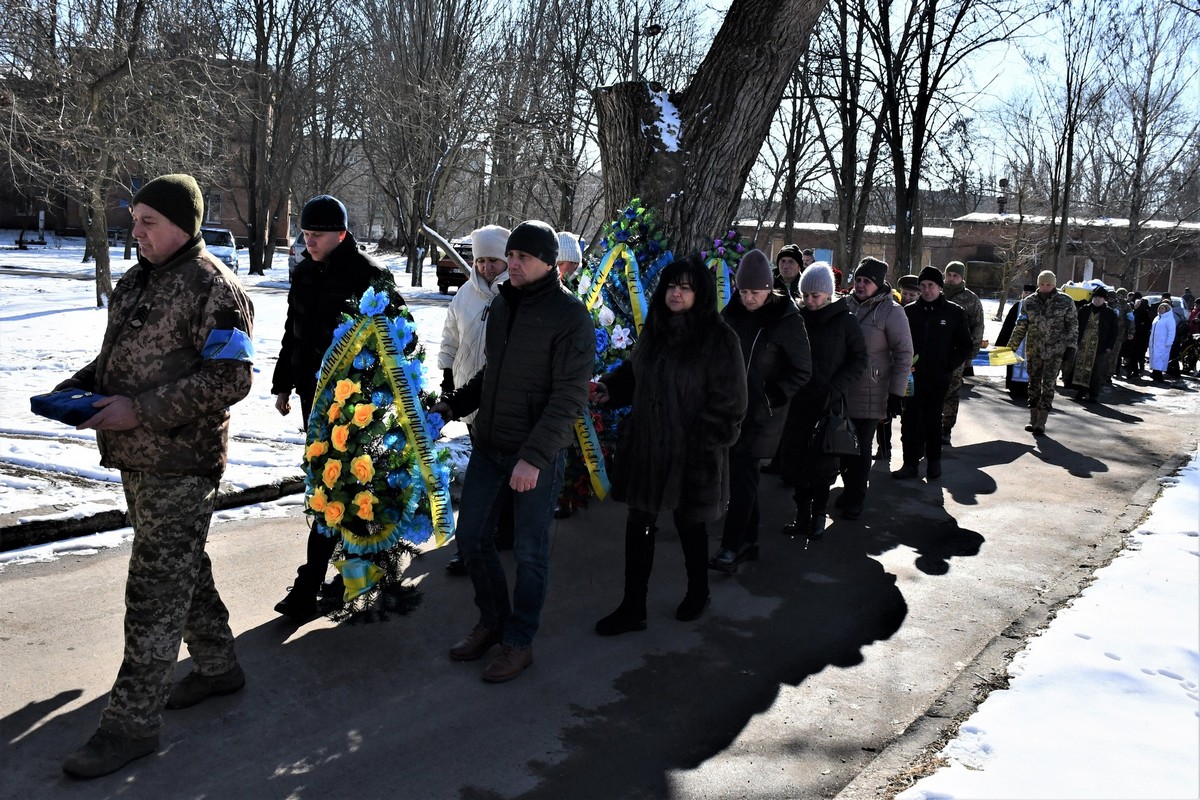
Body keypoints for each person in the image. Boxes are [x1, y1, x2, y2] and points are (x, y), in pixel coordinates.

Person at [56, 174, 255, 778]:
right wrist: (81, 386)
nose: (135, 231)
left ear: (184, 225)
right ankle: (220, 665)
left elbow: (232, 378)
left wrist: (137, 409)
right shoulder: (140, 278)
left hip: (181, 461)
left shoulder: (214, 288)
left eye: (149, 222)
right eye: (134, 219)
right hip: (135, 456)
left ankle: (130, 727)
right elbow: (120, 356)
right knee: (181, 565)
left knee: (152, 592)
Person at [432, 221, 593, 682]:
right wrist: (452, 406)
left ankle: (519, 641)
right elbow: (491, 376)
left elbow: (569, 397)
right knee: (472, 537)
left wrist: (534, 458)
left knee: (529, 551)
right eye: (512, 255)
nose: (513, 263)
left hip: (535, 456)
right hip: (490, 443)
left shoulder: (570, 317)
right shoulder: (503, 305)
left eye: (523, 257)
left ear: (548, 262)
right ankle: (492, 619)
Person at [592, 257, 747, 631]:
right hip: (647, 446)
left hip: (692, 453)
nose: (676, 293)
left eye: (686, 287)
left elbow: (731, 405)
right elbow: (635, 372)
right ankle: (633, 607)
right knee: (638, 524)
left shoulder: (719, 339)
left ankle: (699, 590)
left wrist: (703, 444)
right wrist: (609, 389)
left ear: (700, 294)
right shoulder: (655, 330)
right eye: (671, 286)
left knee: (690, 525)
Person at [271, 195, 404, 620]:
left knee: (341, 490)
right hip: (315, 401)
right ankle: (349, 577)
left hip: (356, 408)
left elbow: (401, 342)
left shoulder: (370, 276)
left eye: (318, 235)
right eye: (305, 234)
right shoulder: (305, 273)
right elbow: (293, 333)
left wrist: (375, 397)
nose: (309, 242)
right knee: (330, 489)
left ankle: (315, 584)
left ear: (342, 235)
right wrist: (283, 383)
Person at [708, 249, 811, 573]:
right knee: (740, 478)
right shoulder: (732, 312)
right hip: (730, 408)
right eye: (743, 291)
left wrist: (773, 395)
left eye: (755, 291)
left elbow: (802, 369)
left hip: (763, 412)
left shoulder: (786, 318)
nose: (748, 297)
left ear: (770, 288)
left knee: (743, 478)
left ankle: (731, 547)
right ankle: (748, 541)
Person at [438, 224, 511, 575]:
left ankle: (489, 534)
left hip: (501, 397)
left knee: (493, 471)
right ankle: (481, 535)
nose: (486, 267)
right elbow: (450, 334)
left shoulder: (513, 293)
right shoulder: (465, 293)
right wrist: (447, 373)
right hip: (467, 393)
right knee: (484, 468)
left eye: (493, 260)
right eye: (480, 260)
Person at [779, 262, 867, 538]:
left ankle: (819, 515)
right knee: (795, 462)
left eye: (815, 296)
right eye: (805, 295)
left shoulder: (845, 320)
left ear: (828, 294)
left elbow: (859, 359)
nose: (809, 301)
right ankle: (801, 514)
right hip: (797, 402)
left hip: (829, 403)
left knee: (822, 464)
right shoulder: (797, 318)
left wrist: (837, 387)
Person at [843, 258, 913, 518]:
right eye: (858, 279)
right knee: (841, 446)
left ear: (879, 284)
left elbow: (904, 353)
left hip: (872, 390)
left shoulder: (892, 311)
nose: (860, 285)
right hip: (843, 388)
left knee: (861, 449)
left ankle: (855, 498)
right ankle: (848, 489)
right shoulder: (846, 305)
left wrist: (896, 393)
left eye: (867, 281)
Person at [892, 267, 972, 480]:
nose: (926, 290)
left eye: (931, 286)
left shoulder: (954, 312)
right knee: (909, 419)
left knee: (932, 419)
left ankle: (934, 462)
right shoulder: (909, 311)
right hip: (912, 377)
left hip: (938, 377)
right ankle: (909, 463)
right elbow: (898, 342)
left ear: (939, 287)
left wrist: (948, 364)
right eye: (923, 285)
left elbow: (965, 346)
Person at [1003, 270, 1079, 435]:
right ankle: (1032, 417)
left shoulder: (1065, 301)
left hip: (1055, 352)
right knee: (1034, 385)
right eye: (1042, 284)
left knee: (1049, 385)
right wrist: (1011, 347)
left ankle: (1042, 421)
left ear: (1054, 284)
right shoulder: (1029, 302)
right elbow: (1021, 325)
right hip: (1034, 350)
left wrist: (1071, 348)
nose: (1045, 287)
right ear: (1038, 284)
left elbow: (1072, 326)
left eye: (1049, 284)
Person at [941, 261, 985, 446]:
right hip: (934, 351)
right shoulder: (935, 292)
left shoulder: (970, 299)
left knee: (951, 392)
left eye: (955, 276)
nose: (951, 279)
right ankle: (929, 427)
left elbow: (977, 327)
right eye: (949, 275)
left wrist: (971, 354)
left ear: (962, 277)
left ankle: (946, 429)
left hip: (957, 353)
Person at [1069, 287, 1119, 402]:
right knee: (1080, 367)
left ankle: (1093, 393)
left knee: (1096, 370)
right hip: (1082, 344)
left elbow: (1114, 331)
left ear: (1104, 299)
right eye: (1095, 297)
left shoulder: (1109, 313)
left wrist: (1109, 346)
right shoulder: (1085, 310)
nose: (1097, 300)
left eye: (1100, 298)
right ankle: (1081, 390)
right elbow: (1076, 326)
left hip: (1100, 346)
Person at [995, 284, 1036, 396]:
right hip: (1017, 344)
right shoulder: (1017, 306)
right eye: (1026, 293)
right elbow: (1007, 327)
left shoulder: (1039, 307)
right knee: (1014, 365)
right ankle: (1013, 386)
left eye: (1030, 293)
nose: (1027, 295)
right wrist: (1001, 345)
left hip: (1031, 343)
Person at [1149, 301, 1176, 380]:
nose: (1161, 310)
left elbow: (1171, 332)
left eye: (1162, 308)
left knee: (1160, 359)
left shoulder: (1170, 319)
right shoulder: (1157, 318)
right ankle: (1154, 373)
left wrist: (1169, 342)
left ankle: (1159, 376)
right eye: (1160, 308)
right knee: (1154, 358)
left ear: (1166, 309)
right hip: (1154, 342)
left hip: (1163, 343)